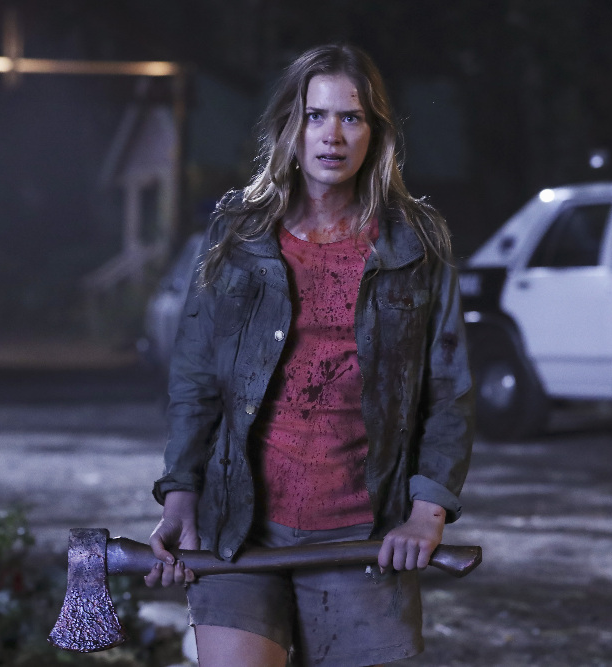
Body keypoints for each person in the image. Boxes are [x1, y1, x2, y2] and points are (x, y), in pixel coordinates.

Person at [145, 43, 473, 667]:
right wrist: (180, 496)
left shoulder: (416, 241)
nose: (332, 135)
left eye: (351, 117)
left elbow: (448, 388)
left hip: (362, 534)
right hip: (238, 531)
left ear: (376, 133)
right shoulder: (237, 234)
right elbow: (195, 379)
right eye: (315, 116)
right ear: (289, 129)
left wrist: (427, 515)